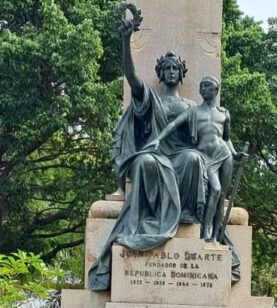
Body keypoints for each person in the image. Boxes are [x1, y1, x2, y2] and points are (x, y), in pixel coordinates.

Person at [88, 5, 240, 290]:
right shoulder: (150, 98)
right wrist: (126, 40)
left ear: (182, 74)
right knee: (145, 162)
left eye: (175, 68)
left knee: (194, 158)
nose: (170, 71)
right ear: (159, 73)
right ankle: (156, 214)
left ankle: (187, 214)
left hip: (182, 159)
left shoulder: (190, 107)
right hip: (156, 157)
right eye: (166, 68)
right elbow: (131, 77)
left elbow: (202, 144)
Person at [146, 76, 245, 242]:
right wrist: (158, 139)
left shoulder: (224, 113)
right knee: (215, 190)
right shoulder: (192, 111)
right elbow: (173, 126)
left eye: (207, 86)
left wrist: (235, 154)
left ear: (215, 90)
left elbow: (226, 138)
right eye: (202, 86)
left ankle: (214, 235)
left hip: (224, 155)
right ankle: (205, 229)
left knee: (221, 196)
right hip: (205, 157)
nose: (203, 89)